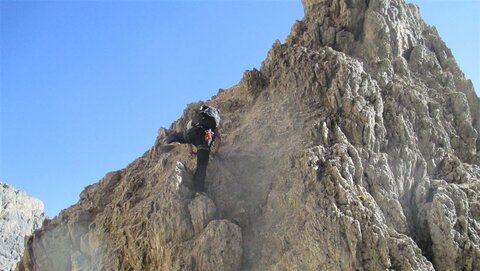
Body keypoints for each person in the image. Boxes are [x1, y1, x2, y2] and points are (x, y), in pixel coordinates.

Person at [163, 105, 221, 193]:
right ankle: (198, 191)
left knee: (176, 136)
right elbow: (218, 139)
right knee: (201, 167)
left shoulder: (196, 119)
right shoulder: (213, 126)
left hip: (193, 134)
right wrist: (215, 152)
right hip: (205, 142)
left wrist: (190, 150)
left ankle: (171, 142)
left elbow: (189, 131)